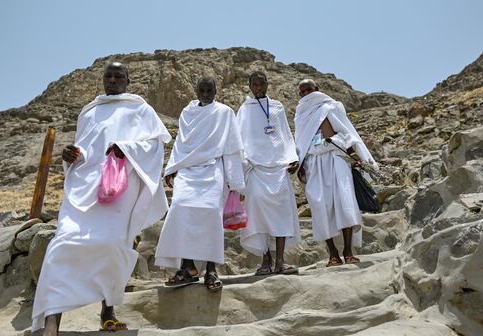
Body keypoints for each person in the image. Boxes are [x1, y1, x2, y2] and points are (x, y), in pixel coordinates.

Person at [31, 62, 171, 335]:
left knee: (112, 246)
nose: (113, 79)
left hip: (121, 189)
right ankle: (51, 323)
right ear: (103, 79)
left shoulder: (141, 109)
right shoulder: (89, 112)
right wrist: (70, 157)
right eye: (108, 75)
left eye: (119, 76)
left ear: (128, 80)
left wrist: (126, 149)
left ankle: (107, 311)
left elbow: (154, 146)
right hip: (84, 188)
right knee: (62, 246)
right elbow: (85, 150)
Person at [154, 76, 245, 292]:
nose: (205, 93)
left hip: (213, 170)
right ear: (196, 91)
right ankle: (187, 267)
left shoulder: (224, 112)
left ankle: (211, 269)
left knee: (211, 213)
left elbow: (232, 147)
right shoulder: (188, 113)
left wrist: (235, 182)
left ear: (216, 91)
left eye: (209, 90)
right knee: (179, 209)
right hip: (187, 171)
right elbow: (181, 143)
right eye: (202, 90)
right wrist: (172, 168)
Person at [293, 79, 378, 267]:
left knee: (344, 201)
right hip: (314, 163)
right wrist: (301, 165)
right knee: (320, 206)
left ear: (317, 89)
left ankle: (348, 251)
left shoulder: (332, 107)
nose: (307, 93)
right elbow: (300, 143)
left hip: (336, 159)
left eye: (310, 89)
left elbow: (347, 132)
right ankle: (332, 254)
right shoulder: (300, 114)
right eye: (303, 91)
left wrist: (355, 155)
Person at [237, 71, 301, 275]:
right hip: (256, 168)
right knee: (259, 215)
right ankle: (266, 260)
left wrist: (292, 157)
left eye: (261, 84)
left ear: (267, 85)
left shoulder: (277, 107)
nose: (258, 88)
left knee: (281, 213)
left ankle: (280, 261)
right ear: (249, 87)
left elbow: (284, 133)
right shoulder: (245, 109)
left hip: (279, 167)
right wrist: (244, 162)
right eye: (254, 85)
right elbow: (239, 137)